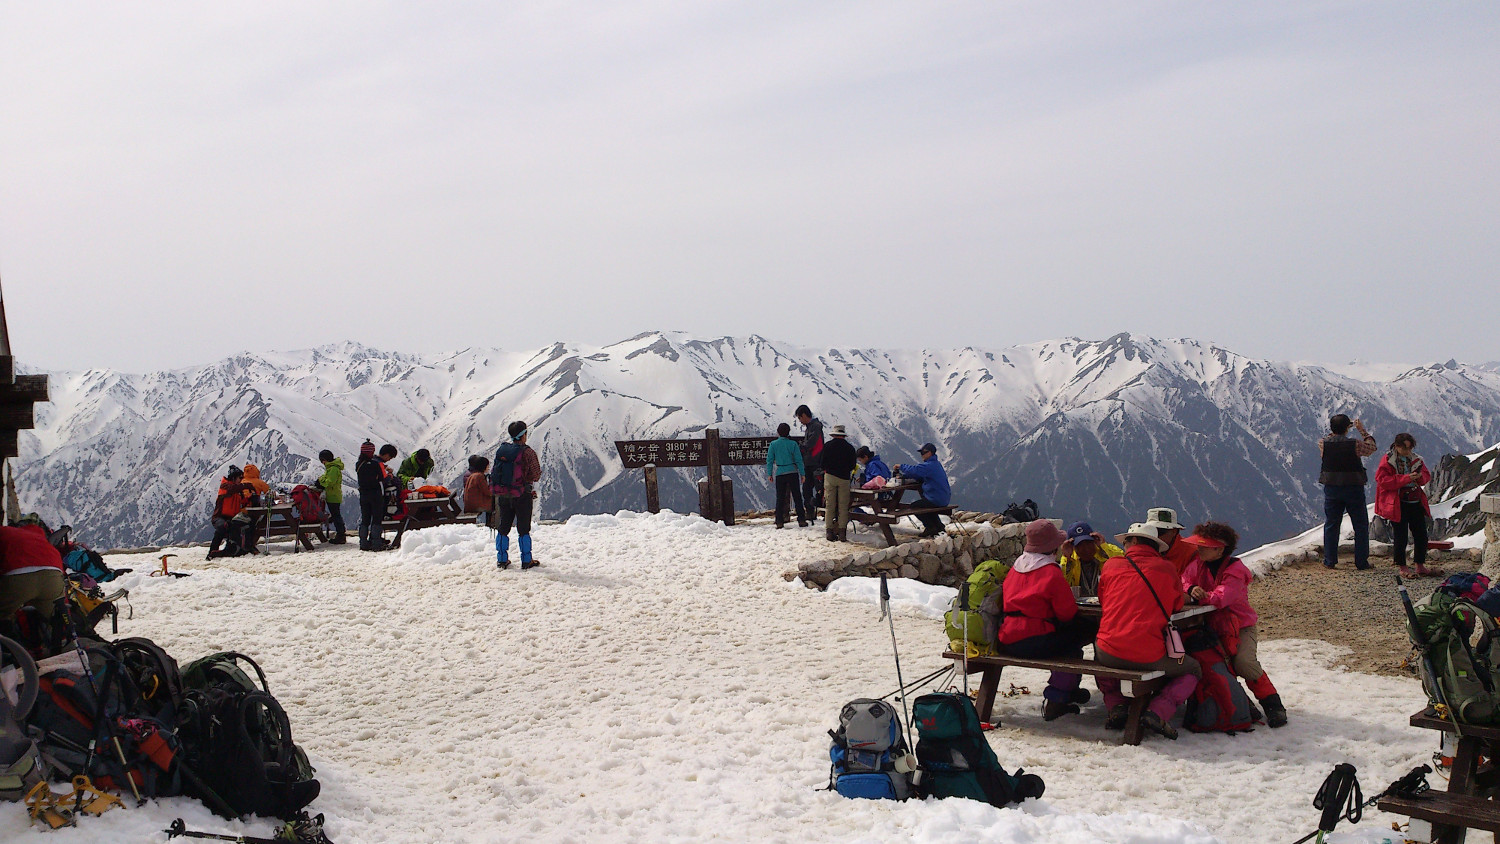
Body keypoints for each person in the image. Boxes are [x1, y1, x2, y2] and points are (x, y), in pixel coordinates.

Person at [1094, 523, 1200, 741]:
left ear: (1134, 542)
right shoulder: (1167, 568)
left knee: (1099, 649)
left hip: (1109, 653)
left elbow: (1104, 600)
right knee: (1193, 669)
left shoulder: (1111, 566)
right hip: (1148, 654)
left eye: (1125, 541)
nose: (1123, 545)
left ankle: (1116, 705)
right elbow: (1176, 605)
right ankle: (1158, 711)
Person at [1179, 522, 1287, 728]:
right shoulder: (1198, 564)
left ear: (1219, 549)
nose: (1198, 548)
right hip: (1213, 627)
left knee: (1245, 664)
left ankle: (1273, 704)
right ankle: (1242, 705)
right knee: (1222, 666)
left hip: (1240, 626)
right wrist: (1191, 587)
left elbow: (1223, 596)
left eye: (1204, 545)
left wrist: (1196, 596)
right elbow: (1184, 580)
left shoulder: (1236, 569)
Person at [997, 520, 1090, 721]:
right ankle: (1058, 698)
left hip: (1007, 639)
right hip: (1035, 640)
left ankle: (1069, 690)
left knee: (1067, 640)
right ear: (1052, 547)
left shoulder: (1015, 569)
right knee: (1073, 643)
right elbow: (1067, 613)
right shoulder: (1050, 572)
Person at [1318, 414, 1378, 570]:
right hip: (1353, 487)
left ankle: (1330, 560)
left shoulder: (1323, 443)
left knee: (1331, 524)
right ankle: (1361, 562)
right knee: (1360, 525)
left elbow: (1331, 439)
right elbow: (1372, 448)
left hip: (1332, 488)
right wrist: (1362, 430)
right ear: (1347, 428)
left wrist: (1341, 429)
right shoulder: (1355, 444)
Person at [1375, 433, 1438, 578]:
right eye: (1404, 449)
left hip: (1415, 501)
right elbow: (1383, 480)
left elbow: (1426, 476)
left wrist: (1419, 477)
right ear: (1397, 447)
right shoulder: (1388, 460)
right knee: (1401, 536)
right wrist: (1405, 478)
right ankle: (1402, 566)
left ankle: (1420, 564)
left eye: (1409, 448)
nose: (1407, 451)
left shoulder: (1417, 460)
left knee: (1421, 534)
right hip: (1398, 503)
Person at [492, 420, 542, 570]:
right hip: (522, 495)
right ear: (523, 435)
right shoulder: (527, 452)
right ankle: (526, 560)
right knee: (523, 528)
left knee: (503, 526)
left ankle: (502, 559)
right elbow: (536, 474)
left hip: (503, 494)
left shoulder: (502, 451)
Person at [0, 524, 67, 624]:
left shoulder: (5, 532)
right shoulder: (43, 542)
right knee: (55, 619)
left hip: (19, 578)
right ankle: (62, 636)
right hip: (53, 576)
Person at [895, 443, 950, 537]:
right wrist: (905, 476)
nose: (922, 455)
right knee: (926, 506)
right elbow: (918, 474)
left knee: (915, 507)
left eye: (924, 452)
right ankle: (939, 527)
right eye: (921, 452)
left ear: (930, 453)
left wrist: (901, 467)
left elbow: (915, 470)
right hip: (942, 497)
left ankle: (930, 527)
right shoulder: (935, 464)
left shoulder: (929, 465)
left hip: (936, 498)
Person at [1058, 521, 1121, 598]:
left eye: (1088, 543)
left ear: (1094, 540)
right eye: (1080, 545)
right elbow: (1063, 586)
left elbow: (1122, 564)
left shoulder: (1106, 552)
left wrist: (1104, 547)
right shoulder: (1070, 561)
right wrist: (1067, 559)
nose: (1086, 548)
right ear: (1073, 547)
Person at [356, 441, 397, 551]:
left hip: (363, 494)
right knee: (376, 519)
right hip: (376, 494)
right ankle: (376, 543)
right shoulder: (376, 464)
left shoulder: (359, 464)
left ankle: (363, 543)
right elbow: (383, 479)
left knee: (365, 519)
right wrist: (390, 475)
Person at [765, 423, 807, 529]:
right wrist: (802, 473)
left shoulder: (773, 444)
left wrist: (769, 473)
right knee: (797, 497)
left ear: (778, 432)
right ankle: (801, 519)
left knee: (780, 498)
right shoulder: (793, 444)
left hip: (780, 473)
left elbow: (769, 460)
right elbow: (799, 460)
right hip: (792, 471)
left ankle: (779, 521)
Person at [820, 425, 858, 542]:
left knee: (830, 505)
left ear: (833, 435)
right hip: (844, 479)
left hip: (830, 477)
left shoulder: (827, 446)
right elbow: (852, 465)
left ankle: (829, 531)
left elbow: (821, 463)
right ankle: (842, 533)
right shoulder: (850, 448)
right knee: (843, 506)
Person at [208, 466, 254, 559]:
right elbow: (232, 489)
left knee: (245, 525)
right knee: (223, 527)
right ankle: (213, 550)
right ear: (234, 477)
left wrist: (250, 499)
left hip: (231, 517)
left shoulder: (238, 491)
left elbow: (242, 501)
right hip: (219, 517)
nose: (241, 480)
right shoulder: (225, 486)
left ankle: (234, 548)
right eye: (240, 478)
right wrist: (246, 486)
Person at [1143, 507, 1195, 574]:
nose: (1155, 535)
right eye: (1151, 531)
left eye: (1160, 532)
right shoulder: (1143, 549)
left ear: (1174, 531)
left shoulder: (1191, 553)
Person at [795, 405, 825, 511]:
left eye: (799, 418)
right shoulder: (811, 427)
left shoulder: (815, 426)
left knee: (817, 489)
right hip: (810, 463)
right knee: (808, 489)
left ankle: (819, 510)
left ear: (803, 415)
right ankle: (811, 510)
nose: (800, 420)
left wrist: (800, 447)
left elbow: (811, 443)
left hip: (815, 463)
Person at [316, 449, 347, 544]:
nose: (323, 463)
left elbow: (329, 482)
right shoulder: (331, 468)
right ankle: (340, 533)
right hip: (333, 495)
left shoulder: (333, 469)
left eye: (323, 460)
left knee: (336, 515)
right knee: (335, 514)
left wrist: (320, 482)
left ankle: (341, 535)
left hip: (333, 495)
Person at [463, 455, 493, 526]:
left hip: (469, 503)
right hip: (475, 505)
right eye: (487, 466)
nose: (488, 468)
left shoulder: (473, 475)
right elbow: (487, 492)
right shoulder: (479, 476)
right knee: (496, 502)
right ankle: (491, 523)